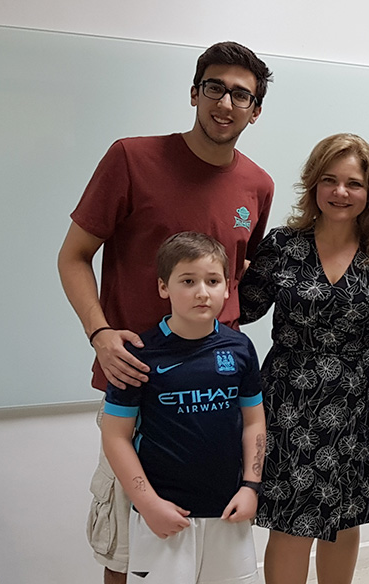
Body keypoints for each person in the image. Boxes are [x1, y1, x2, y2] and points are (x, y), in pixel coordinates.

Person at [57, 41, 273, 583]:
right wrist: (100, 333)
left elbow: (235, 276)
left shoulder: (257, 185)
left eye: (241, 95)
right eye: (215, 88)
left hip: (217, 398)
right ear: (194, 93)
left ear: (255, 110)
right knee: (129, 552)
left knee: (215, 557)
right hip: (137, 382)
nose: (226, 103)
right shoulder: (132, 159)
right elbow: (73, 256)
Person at [238, 133, 369, 584]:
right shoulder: (282, 245)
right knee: (291, 520)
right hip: (291, 400)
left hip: (357, 401)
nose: (341, 192)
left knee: (344, 518)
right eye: (330, 180)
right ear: (313, 184)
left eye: (353, 183)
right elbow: (242, 310)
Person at [101, 232, 265, 583]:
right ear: (164, 287)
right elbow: (115, 437)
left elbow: (253, 422)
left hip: (228, 511)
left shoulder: (240, 349)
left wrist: (251, 487)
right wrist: (148, 504)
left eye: (213, 281)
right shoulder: (139, 354)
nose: (202, 292)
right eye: (188, 281)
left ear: (227, 288)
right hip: (163, 516)